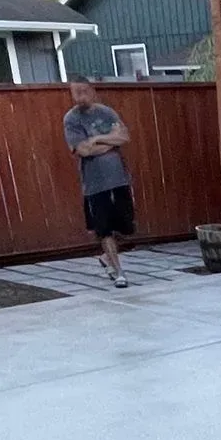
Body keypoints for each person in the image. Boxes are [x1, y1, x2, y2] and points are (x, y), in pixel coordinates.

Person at [63, 79, 135, 286]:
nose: (80, 97)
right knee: (104, 229)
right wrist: (109, 141)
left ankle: (106, 258)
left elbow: (124, 137)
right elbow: (83, 150)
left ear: (92, 91)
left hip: (119, 178)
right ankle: (118, 272)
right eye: (76, 93)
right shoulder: (71, 120)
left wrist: (96, 139)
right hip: (95, 184)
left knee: (127, 227)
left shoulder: (107, 112)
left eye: (83, 91)